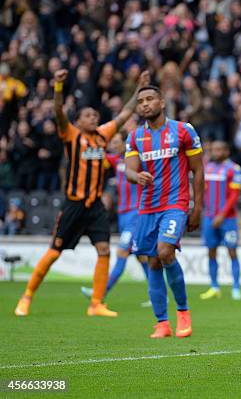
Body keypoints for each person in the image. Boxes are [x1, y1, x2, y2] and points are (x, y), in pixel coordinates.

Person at [14, 68, 148, 317]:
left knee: (104, 251)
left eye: (95, 114)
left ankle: (96, 303)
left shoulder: (102, 136)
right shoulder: (72, 134)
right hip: (73, 205)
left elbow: (125, 114)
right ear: (78, 121)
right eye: (88, 115)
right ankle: (27, 296)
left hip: (95, 206)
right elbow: (58, 113)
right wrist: (57, 88)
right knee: (54, 252)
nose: (93, 117)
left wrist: (139, 88)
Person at [125, 84, 204, 339]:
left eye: (150, 99)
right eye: (141, 101)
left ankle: (183, 312)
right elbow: (129, 170)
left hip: (175, 203)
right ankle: (162, 323)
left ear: (162, 102)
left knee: (165, 251)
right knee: (153, 260)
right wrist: (137, 176)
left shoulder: (183, 131)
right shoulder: (135, 136)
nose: (145, 104)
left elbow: (198, 171)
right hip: (147, 207)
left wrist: (197, 208)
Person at [80, 132, 149, 301]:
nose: (113, 145)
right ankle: (158, 294)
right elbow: (99, 156)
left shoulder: (138, 161)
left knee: (122, 251)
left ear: (126, 143)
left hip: (136, 214)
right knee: (141, 256)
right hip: (123, 214)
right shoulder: (118, 161)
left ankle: (101, 292)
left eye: (116, 142)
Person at [199, 141, 241, 301]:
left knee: (232, 251)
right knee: (211, 251)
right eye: (213, 150)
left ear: (226, 151)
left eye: (219, 149)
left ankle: (236, 287)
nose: (215, 152)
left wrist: (222, 215)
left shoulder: (234, 169)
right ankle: (214, 287)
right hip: (209, 217)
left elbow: (234, 195)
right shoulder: (208, 167)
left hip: (227, 219)